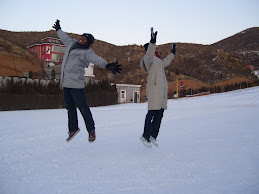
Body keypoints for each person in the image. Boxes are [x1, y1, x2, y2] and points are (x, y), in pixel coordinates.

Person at [52, 20, 122, 143]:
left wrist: (107, 65)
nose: (81, 39)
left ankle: (91, 130)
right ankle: (73, 129)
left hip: (76, 84)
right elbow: (64, 37)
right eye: (81, 37)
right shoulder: (71, 43)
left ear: (88, 44)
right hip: (66, 83)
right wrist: (58, 29)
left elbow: (96, 59)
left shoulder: (87, 52)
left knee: (83, 108)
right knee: (70, 108)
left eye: (84, 39)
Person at [139, 28, 177, 148]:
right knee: (151, 113)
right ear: (149, 48)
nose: (157, 47)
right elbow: (149, 53)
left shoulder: (158, 60)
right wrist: (152, 41)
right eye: (154, 46)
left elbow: (166, 62)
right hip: (154, 90)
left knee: (159, 114)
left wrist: (172, 53)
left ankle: (153, 136)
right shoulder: (148, 59)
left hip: (161, 90)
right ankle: (145, 136)